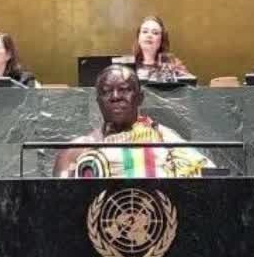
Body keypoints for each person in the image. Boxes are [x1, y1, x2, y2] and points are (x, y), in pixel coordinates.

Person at [54, 65, 210, 178]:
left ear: (140, 98)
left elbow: (207, 179)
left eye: (124, 89)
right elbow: (59, 202)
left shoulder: (165, 140)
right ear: (98, 101)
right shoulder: (75, 151)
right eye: (106, 91)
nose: (115, 97)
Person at [130, 14, 193, 83]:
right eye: (145, 31)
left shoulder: (174, 66)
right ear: (138, 38)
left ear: (162, 40)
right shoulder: (128, 66)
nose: (149, 35)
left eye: (155, 33)